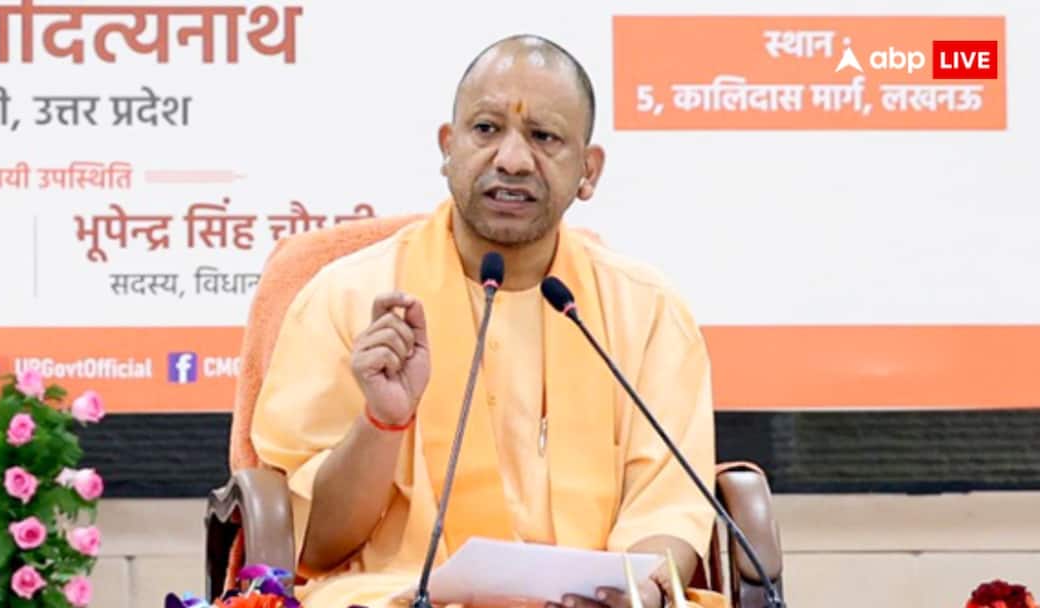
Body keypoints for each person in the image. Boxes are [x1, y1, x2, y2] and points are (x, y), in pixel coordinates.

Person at [252, 34, 721, 608]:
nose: (512, 160)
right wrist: (381, 424)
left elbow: (667, 509)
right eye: (486, 129)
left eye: (544, 136)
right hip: (400, 596)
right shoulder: (349, 297)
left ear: (588, 170)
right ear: (448, 148)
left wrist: (636, 593)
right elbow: (314, 547)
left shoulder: (646, 311)